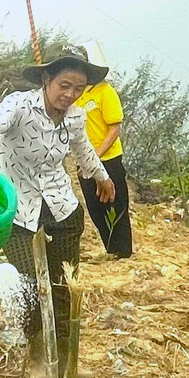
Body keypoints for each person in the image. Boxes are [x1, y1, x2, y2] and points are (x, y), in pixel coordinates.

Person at [0, 47, 117, 378]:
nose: (70, 94)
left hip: (61, 208)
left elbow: (83, 150)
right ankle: (37, 356)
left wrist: (102, 177)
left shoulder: (75, 117)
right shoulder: (20, 105)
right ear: (47, 79)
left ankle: (68, 359)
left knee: (65, 285)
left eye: (78, 88)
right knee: (30, 287)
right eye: (64, 85)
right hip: (19, 213)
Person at [73, 40, 132, 258]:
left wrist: (95, 156)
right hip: (85, 162)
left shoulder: (105, 92)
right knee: (96, 208)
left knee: (116, 205)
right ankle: (110, 249)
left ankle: (123, 251)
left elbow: (114, 128)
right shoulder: (77, 95)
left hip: (108, 159)